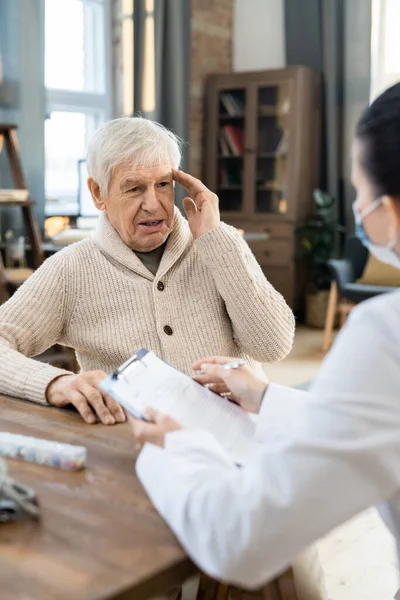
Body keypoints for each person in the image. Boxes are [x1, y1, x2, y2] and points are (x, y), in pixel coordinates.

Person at [129, 83, 400, 599]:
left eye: (358, 189)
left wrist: (176, 447)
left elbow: (242, 539)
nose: (357, 206)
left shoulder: (386, 334)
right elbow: (380, 426)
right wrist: (268, 399)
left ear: (390, 206)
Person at [0, 117, 294, 425]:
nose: (153, 204)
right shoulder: (71, 269)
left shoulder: (219, 245)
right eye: (135, 188)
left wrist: (216, 240)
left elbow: (273, 346)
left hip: (238, 437)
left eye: (163, 185)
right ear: (98, 192)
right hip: (138, 449)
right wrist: (54, 384)